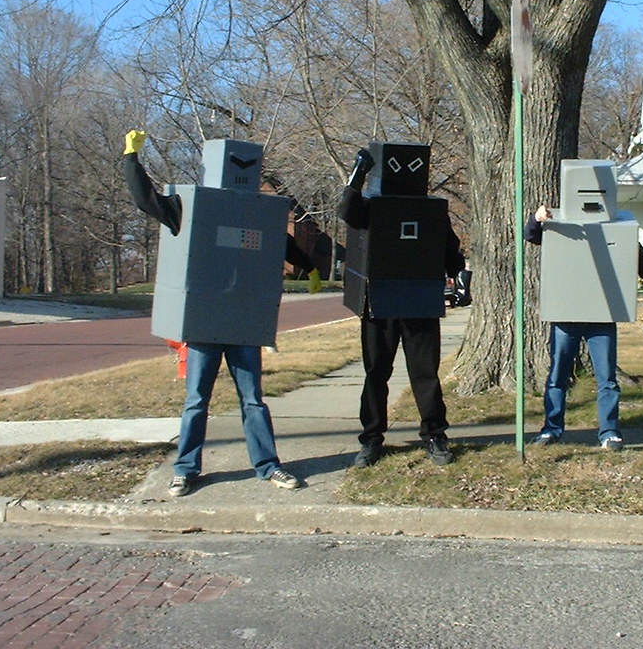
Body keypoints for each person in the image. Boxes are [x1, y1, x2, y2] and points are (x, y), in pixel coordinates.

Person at [123, 129, 314, 497]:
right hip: (205, 325)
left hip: (243, 324)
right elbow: (147, 200)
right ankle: (185, 469)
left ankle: (268, 465)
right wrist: (131, 160)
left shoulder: (259, 213)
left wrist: (311, 267)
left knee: (253, 400)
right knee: (197, 400)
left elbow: (283, 242)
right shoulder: (192, 208)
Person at [337, 145, 471, 468]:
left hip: (420, 301)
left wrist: (460, 278)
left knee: (425, 375)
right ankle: (371, 438)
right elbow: (347, 210)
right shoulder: (371, 207)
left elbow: (450, 251)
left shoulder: (432, 212)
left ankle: (435, 435)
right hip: (379, 301)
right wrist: (359, 174)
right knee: (376, 373)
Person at [526, 204, 643, 450]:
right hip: (566, 314)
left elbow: (638, 256)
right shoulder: (560, 226)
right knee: (557, 375)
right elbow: (532, 235)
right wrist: (536, 219)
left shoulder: (616, 228)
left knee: (607, 379)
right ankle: (551, 429)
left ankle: (610, 432)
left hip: (601, 314)